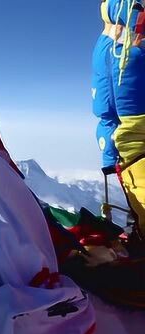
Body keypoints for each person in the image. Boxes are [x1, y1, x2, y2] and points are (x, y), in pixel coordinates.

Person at [92, 0, 145, 236]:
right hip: (136, 155)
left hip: (128, 157)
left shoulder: (103, 45)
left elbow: (106, 114)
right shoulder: (129, 42)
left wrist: (108, 156)